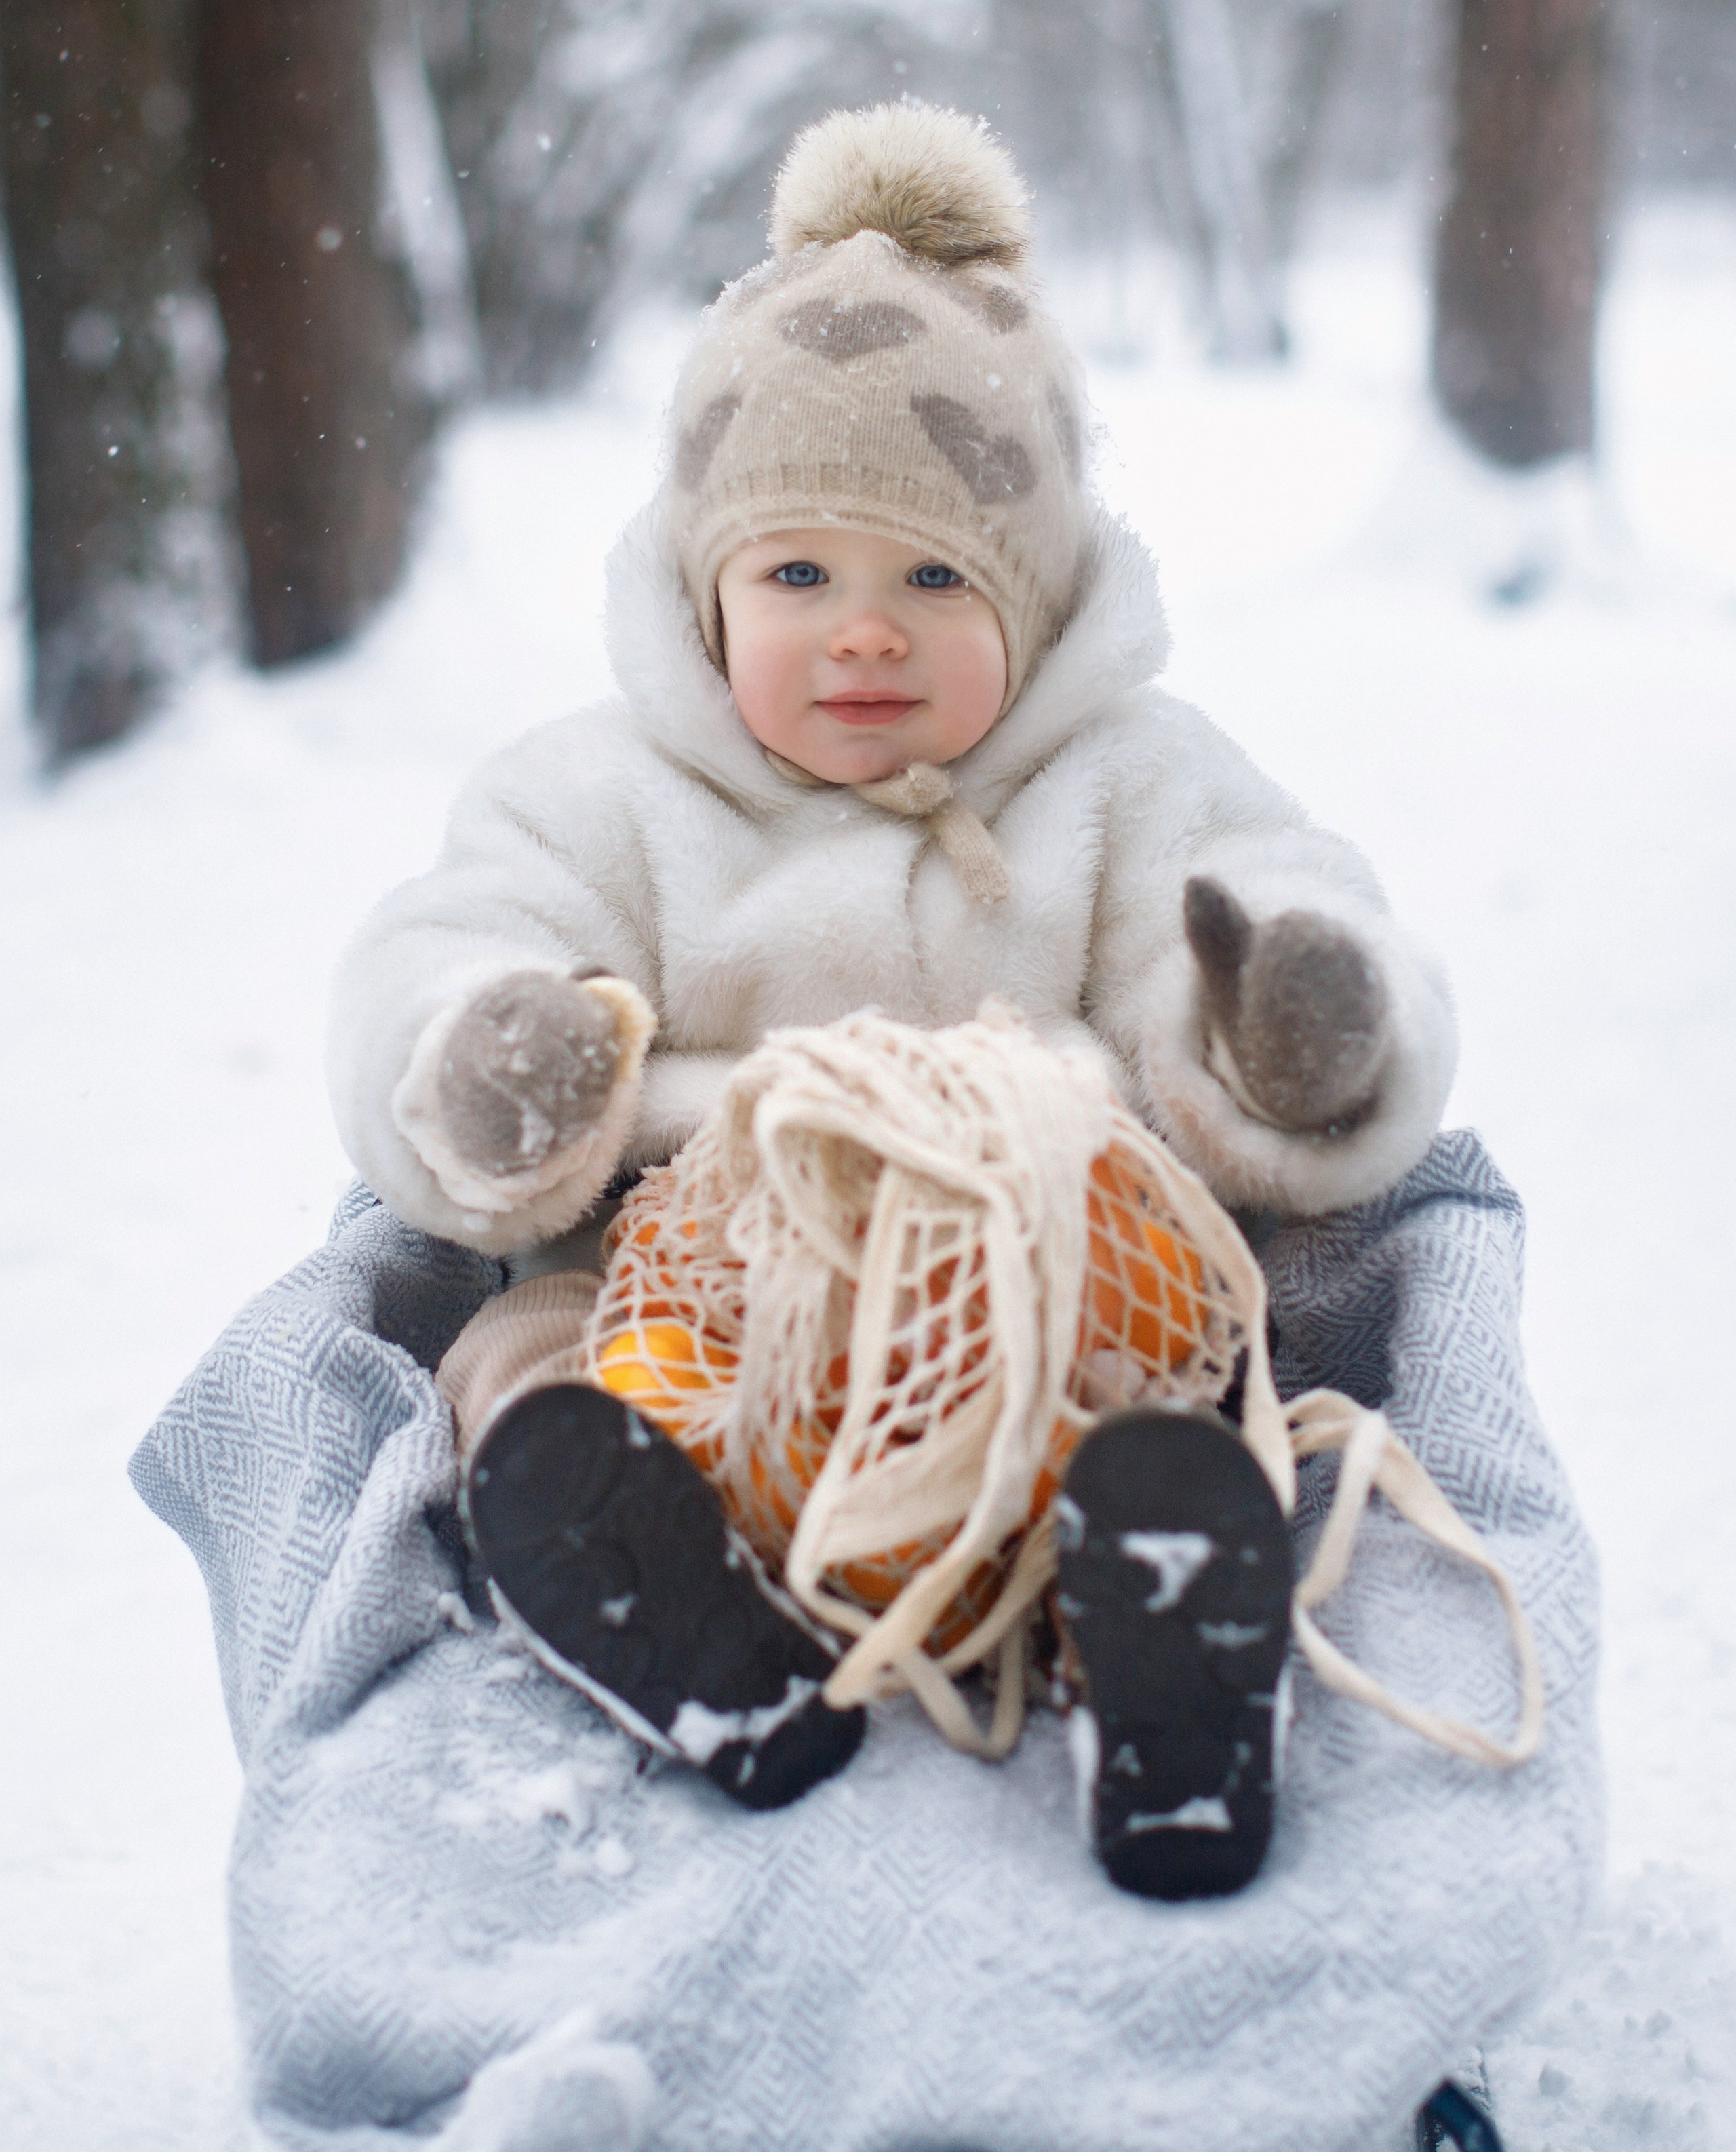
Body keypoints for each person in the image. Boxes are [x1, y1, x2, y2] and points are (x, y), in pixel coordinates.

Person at [328, 102, 1457, 1899]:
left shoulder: (1127, 777)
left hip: (1041, 1270)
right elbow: (449, 934)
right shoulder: (599, 795)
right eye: (799, 575)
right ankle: (659, 1584)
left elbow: (1253, 900)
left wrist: (1292, 1021)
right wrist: (492, 1050)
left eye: (936, 578)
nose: (865, 631)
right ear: (707, 594)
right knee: (531, 1347)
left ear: (1039, 598)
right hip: (703, 1277)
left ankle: (1153, 1620)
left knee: (1192, 1359)